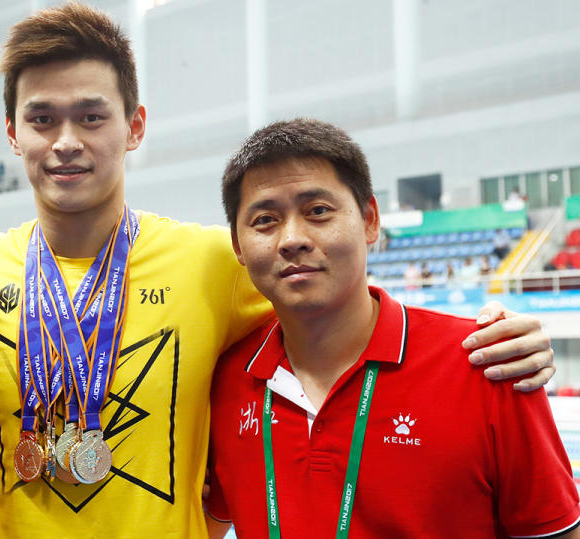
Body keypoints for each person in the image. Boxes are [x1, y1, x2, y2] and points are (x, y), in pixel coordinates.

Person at [0, 4, 556, 538]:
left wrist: (497, 334)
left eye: (92, 115)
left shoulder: (219, 260)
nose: (67, 140)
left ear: (134, 126)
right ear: (11, 131)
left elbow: (330, 289)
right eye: (42, 116)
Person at [207, 119, 580, 538]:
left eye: (317, 211)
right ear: (237, 246)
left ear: (369, 220)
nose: (292, 239)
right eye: (264, 220)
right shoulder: (225, 380)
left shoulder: (488, 365)